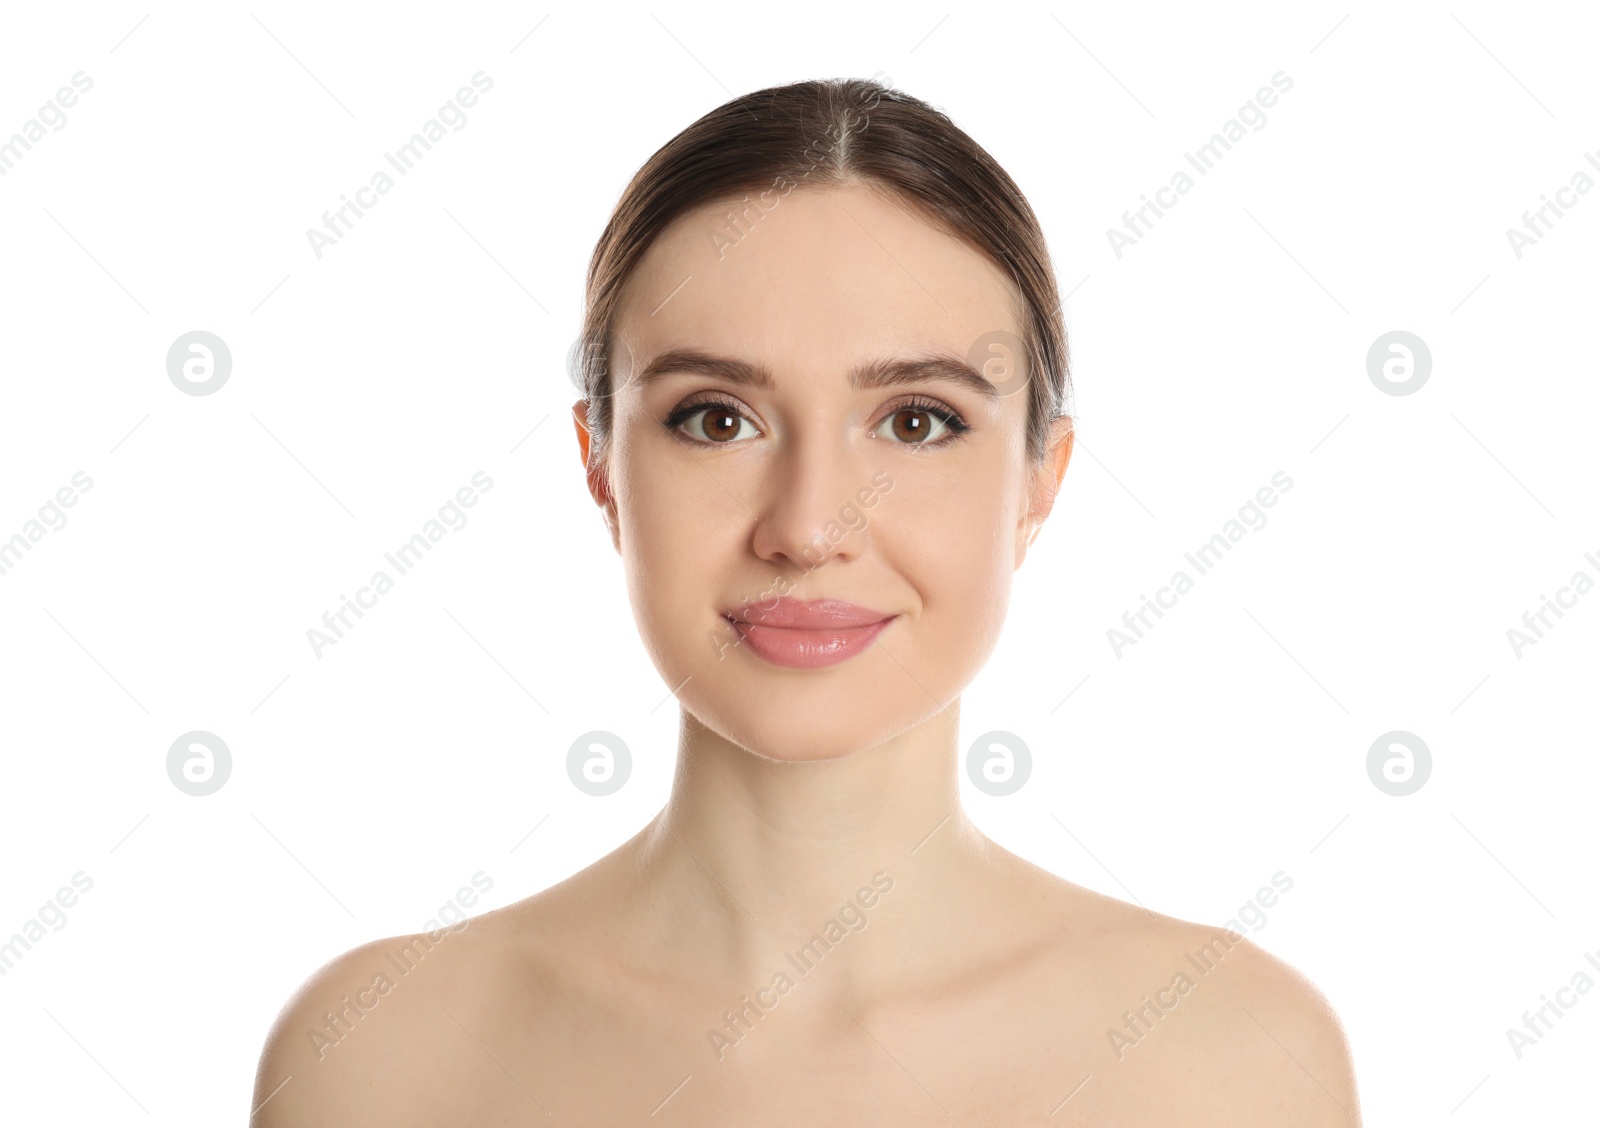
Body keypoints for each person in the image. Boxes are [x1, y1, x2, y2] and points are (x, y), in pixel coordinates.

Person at [252, 76, 1359, 1125]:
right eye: (715, 418)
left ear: (1039, 483)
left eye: (917, 420)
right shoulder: (376, 1061)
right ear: (599, 467)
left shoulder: (1237, 1061)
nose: (808, 527)